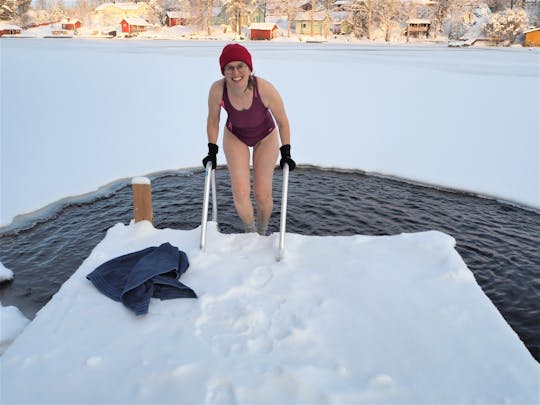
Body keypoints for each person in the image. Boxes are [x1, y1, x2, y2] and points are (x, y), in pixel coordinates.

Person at [203, 43, 296, 235]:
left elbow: (283, 121)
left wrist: (286, 151)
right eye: (230, 67)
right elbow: (213, 120)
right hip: (235, 136)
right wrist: (212, 150)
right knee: (240, 193)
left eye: (240, 66)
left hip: (266, 136)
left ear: (249, 68)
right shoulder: (217, 90)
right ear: (224, 71)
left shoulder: (264, 89)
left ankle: (262, 230)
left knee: (262, 194)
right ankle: (250, 231)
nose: (235, 72)